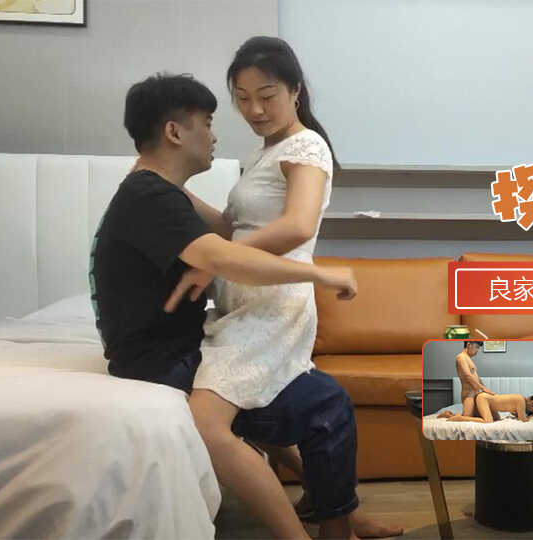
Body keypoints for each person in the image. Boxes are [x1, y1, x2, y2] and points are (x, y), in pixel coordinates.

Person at [92, 72, 360, 539]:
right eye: (208, 122)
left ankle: (334, 511)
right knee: (326, 404)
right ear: (175, 132)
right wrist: (320, 274)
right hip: (162, 360)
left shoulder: (153, 192)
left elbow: (223, 238)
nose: (215, 135)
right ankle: (318, 528)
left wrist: (207, 235)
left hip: (161, 348)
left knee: (265, 390)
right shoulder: (150, 197)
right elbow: (224, 254)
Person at [165, 37, 400, 538]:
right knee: (264, 411)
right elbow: (233, 229)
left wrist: (215, 261)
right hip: (240, 303)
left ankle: (315, 524)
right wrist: (172, 189)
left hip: (273, 306)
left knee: (208, 420)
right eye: (243, 98)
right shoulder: (264, 152)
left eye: (267, 95)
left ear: (295, 90)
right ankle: (343, 511)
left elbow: (297, 225)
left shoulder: (307, 147)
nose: (254, 109)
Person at [438, 394, 533, 423]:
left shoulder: (520, 399)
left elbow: (514, 413)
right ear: (532, 403)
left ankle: (449, 414)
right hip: (484, 399)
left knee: (497, 418)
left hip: (490, 403)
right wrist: (532, 416)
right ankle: (459, 418)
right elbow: (523, 419)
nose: (530, 411)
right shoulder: (521, 400)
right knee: (488, 421)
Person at [454, 340, 495, 418]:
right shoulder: (461, 357)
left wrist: (485, 389)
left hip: (476, 394)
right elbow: (467, 376)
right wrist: (483, 388)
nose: (477, 350)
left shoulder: (468, 359)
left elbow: (477, 378)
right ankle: (447, 415)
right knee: (467, 417)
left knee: (493, 416)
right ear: (469, 344)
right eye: (476, 347)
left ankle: (450, 414)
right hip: (468, 394)